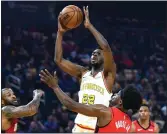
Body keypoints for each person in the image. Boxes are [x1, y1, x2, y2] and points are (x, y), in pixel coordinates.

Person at [55, 6, 116, 132]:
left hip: (97, 128)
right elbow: (58, 60)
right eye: (93, 53)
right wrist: (60, 33)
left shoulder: (108, 75)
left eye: (98, 54)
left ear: (105, 59)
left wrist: (89, 26)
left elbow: (105, 47)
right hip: (78, 128)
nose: (94, 54)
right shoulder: (82, 73)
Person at [39, 69, 142, 133]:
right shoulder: (128, 123)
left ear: (120, 102)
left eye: (118, 94)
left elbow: (71, 105)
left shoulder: (105, 112)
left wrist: (55, 86)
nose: (115, 94)